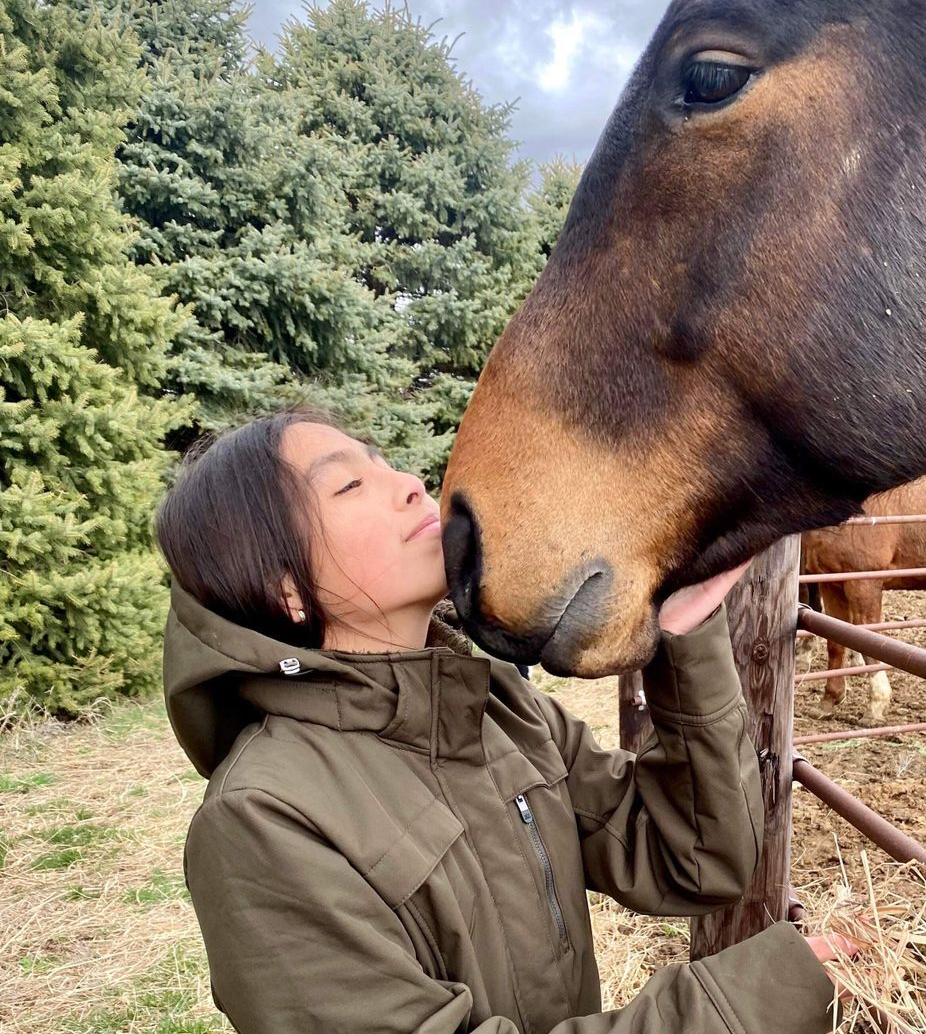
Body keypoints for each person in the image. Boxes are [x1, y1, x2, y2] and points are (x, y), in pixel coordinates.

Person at [157, 408, 847, 1034]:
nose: (406, 482)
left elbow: (694, 855)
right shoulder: (262, 822)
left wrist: (679, 622)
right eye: (347, 486)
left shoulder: (494, 707)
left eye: (384, 461)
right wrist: (755, 1003)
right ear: (284, 587)